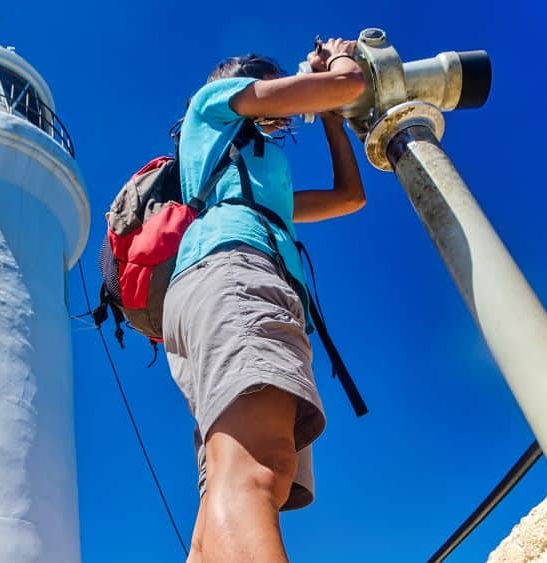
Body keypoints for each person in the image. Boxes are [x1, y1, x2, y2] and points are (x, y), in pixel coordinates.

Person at [163, 38, 367, 562]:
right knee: (257, 467)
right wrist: (341, 60)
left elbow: (349, 196)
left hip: (227, 279)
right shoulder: (211, 105)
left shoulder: (253, 177)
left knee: (247, 472)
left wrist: (332, 119)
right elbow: (350, 83)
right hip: (234, 272)